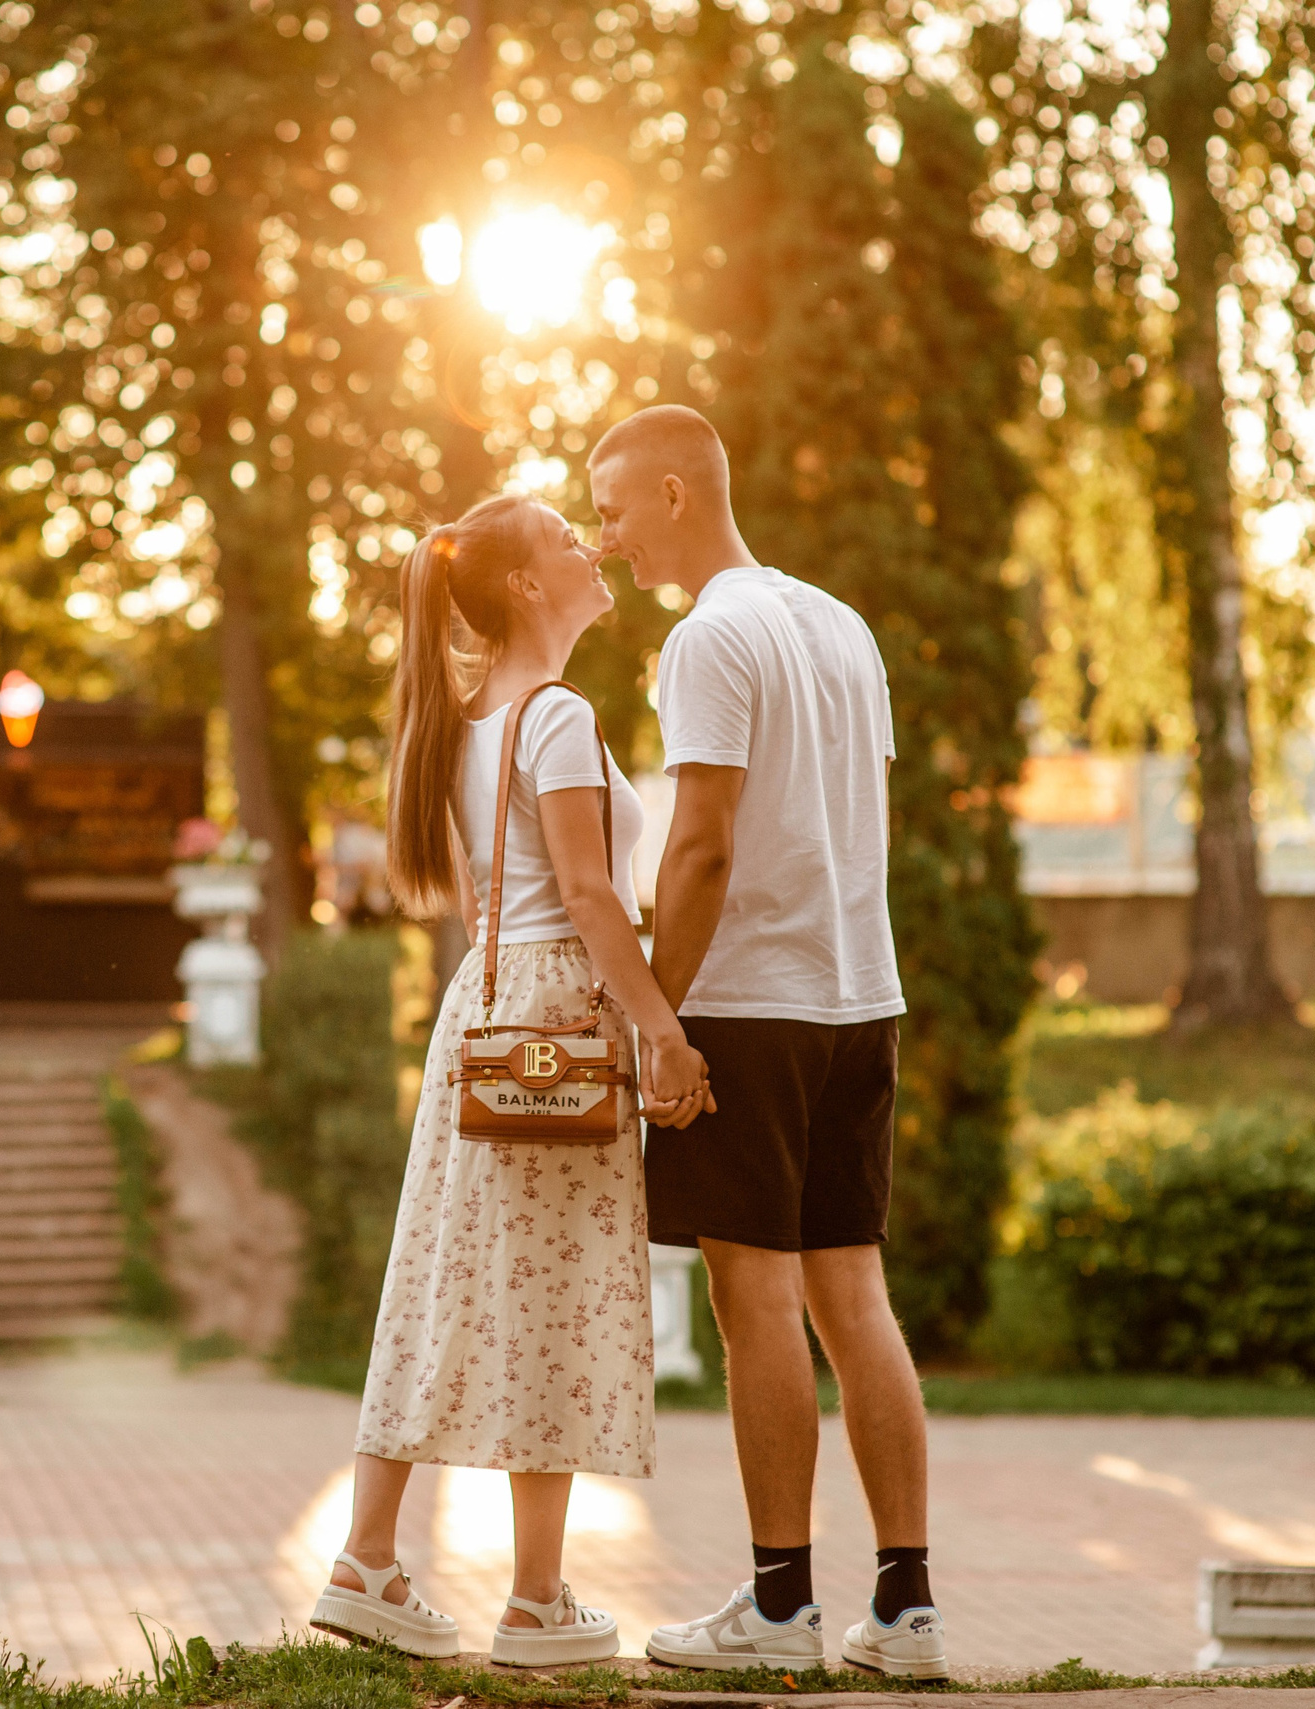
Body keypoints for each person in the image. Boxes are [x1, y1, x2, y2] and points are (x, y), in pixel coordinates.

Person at [309, 493, 711, 1667]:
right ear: (529, 586)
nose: (590, 550)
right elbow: (590, 896)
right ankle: (533, 1599)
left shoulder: (469, 713)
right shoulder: (558, 713)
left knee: (437, 1278)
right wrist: (662, 1029)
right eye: (564, 538)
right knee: (560, 1290)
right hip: (559, 1013)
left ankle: (368, 1556)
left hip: (481, 1012)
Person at [588, 405, 946, 1681]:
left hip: (750, 1006)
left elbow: (702, 844)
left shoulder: (708, 637)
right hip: (860, 999)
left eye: (616, 505)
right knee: (853, 1296)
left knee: (753, 1306)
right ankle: (905, 1611)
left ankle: (778, 1607)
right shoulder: (839, 624)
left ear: (678, 491)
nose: (608, 534)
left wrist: (657, 1017)